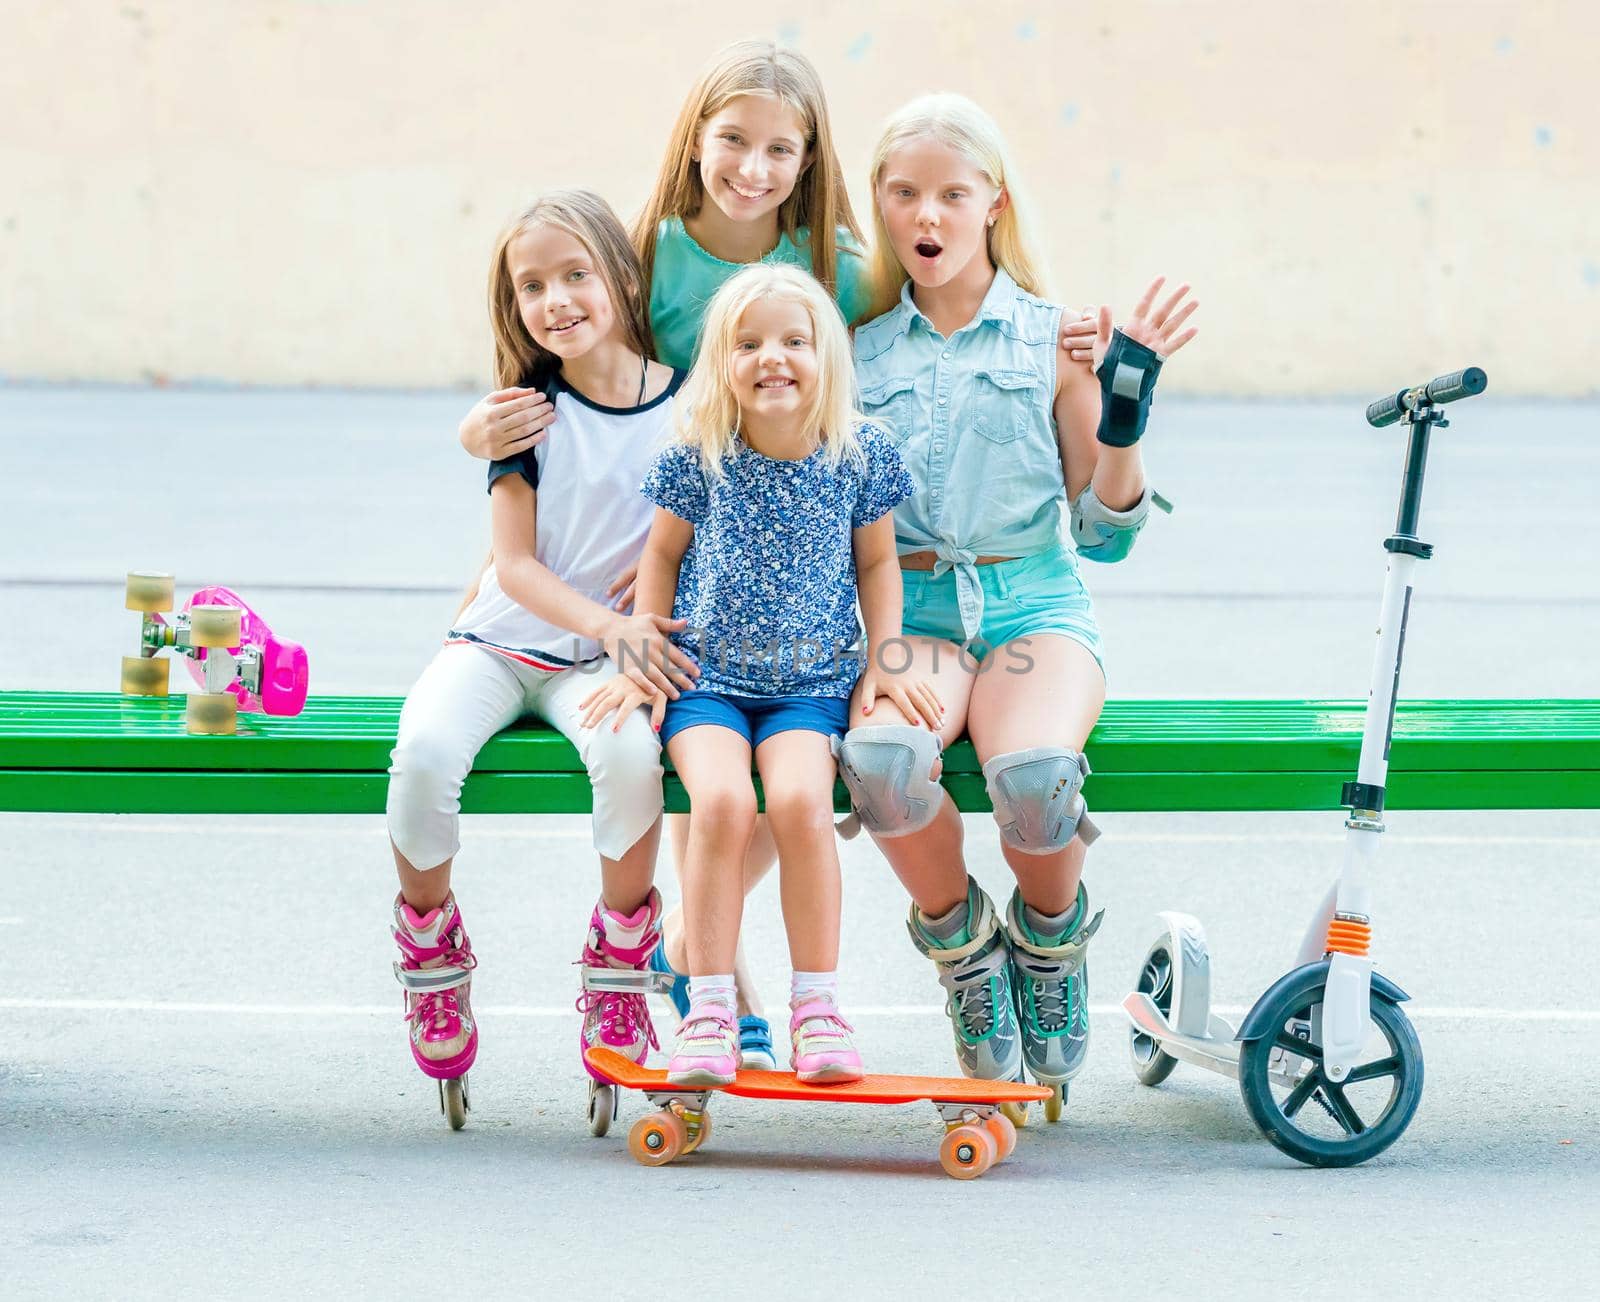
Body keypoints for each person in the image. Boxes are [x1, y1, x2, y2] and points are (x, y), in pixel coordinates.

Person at [454, 41, 875, 1070]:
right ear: (695, 141)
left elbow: (952, 293)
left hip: (788, 559)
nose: (754, 168)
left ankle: (694, 950)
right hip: (674, 554)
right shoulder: (649, 251)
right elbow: (568, 353)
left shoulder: (843, 271)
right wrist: (481, 432)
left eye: (782, 148)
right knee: (705, 781)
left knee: (779, 791)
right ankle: (718, 983)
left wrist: (1062, 341)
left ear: (810, 155)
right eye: (733, 141)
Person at [839, 94, 1199, 1112]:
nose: (929, 213)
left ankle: (1047, 947)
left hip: (1032, 604)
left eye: (953, 193)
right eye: (904, 192)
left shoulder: (1057, 341)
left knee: (1037, 778)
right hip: (915, 617)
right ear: (879, 206)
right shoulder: (856, 355)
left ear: (991, 202)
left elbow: (1104, 533)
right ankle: (962, 951)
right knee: (880, 763)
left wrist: (1123, 414)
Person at [584, 264, 936, 1085]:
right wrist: (643, 657)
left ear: (826, 356)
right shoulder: (698, 454)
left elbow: (879, 563)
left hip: (811, 688)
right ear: (723, 360)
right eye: (749, 344)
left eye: (793, 341)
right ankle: (708, 1006)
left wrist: (883, 658)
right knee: (723, 802)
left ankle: (817, 1008)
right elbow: (661, 556)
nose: (771, 358)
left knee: (806, 803)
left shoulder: (860, 452)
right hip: (704, 682)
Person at [385, 191, 698, 1113]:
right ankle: (431, 942)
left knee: (634, 760)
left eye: (575, 275)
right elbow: (514, 567)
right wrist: (610, 624)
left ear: (623, 278)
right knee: (424, 755)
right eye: (532, 285)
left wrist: (639, 617)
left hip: (609, 658)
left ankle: (618, 959)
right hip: (502, 641)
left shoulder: (686, 409)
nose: (555, 299)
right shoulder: (525, 416)